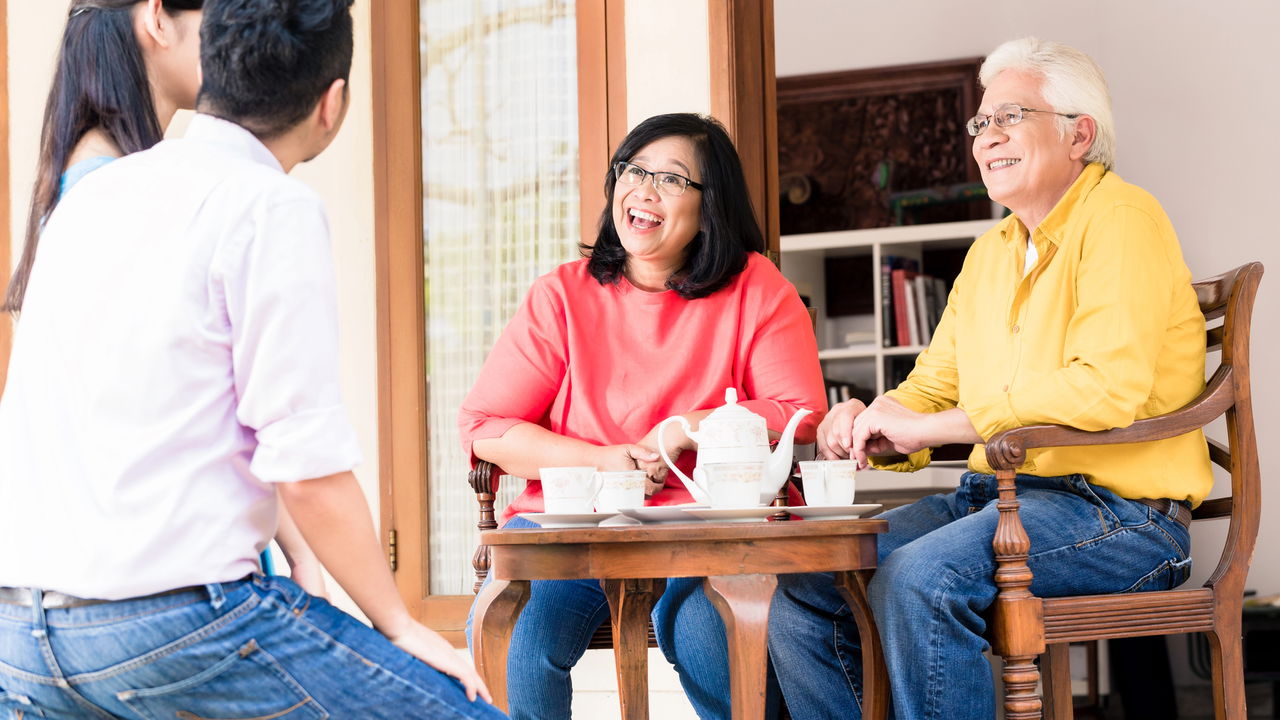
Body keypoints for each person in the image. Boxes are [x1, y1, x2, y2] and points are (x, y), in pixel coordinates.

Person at [0, 1, 504, 717]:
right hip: (175, 627)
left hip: (20, 633)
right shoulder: (269, 207)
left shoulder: (92, 193)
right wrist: (398, 623)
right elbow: (305, 469)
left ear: (214, 69)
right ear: (332, 105)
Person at [766, 37, 1210, 720]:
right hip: (995, 502)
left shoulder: (1123, 218)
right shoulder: (990, 253)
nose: (986, 137)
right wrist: (871, 417)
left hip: (1121, 518)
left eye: (1009, 117)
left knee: (921, 579)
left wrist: (933, 427)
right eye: (981, 122)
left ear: (1079, 135)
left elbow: (1101, 387)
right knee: (808, 581)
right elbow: (934, 383)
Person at [459, 112, 827, 720]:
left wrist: (686, 427)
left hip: (709, 530)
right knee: (514, 633)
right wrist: (602, 459)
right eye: (633, 170)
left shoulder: (755, 287)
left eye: (673, 179)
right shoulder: (561, 296)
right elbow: (486, 427)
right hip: (571, 529)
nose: (644, 189)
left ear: (712, 205)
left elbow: (801, 413)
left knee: (712, 638)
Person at [5, 0, 324, 594]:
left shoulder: (93, 187)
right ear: (157, 18)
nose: (233, 38)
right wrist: (302, 552)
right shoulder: (115, 197)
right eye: (218, 17)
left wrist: (297, 545)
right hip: (162, 597)